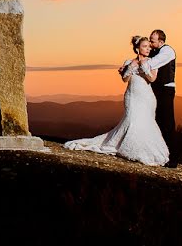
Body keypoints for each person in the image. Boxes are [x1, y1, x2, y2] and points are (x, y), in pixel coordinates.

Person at [64, 36, 169, 166]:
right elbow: (125, 79)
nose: (148, 49)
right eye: (144, 46)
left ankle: (146, 149)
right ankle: (130, 146)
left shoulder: (152, 61)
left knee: (145, 122)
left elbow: (152, 79)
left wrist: (144, 65)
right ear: (137, 48)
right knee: (131, 120)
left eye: (149, 46)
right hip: (132, 97)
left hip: (147, 98)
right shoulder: (129, 62)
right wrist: (131, 66)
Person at [148, 29, 177, 168]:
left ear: (161, 41)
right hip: (156, 89)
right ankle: (160, 154)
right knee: (157, 121)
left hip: (166, 90)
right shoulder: (153, 51)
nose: (149, 42)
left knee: (168, 123)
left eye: (152, 40)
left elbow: (152, 64)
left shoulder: (167, 51)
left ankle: (173, 157)